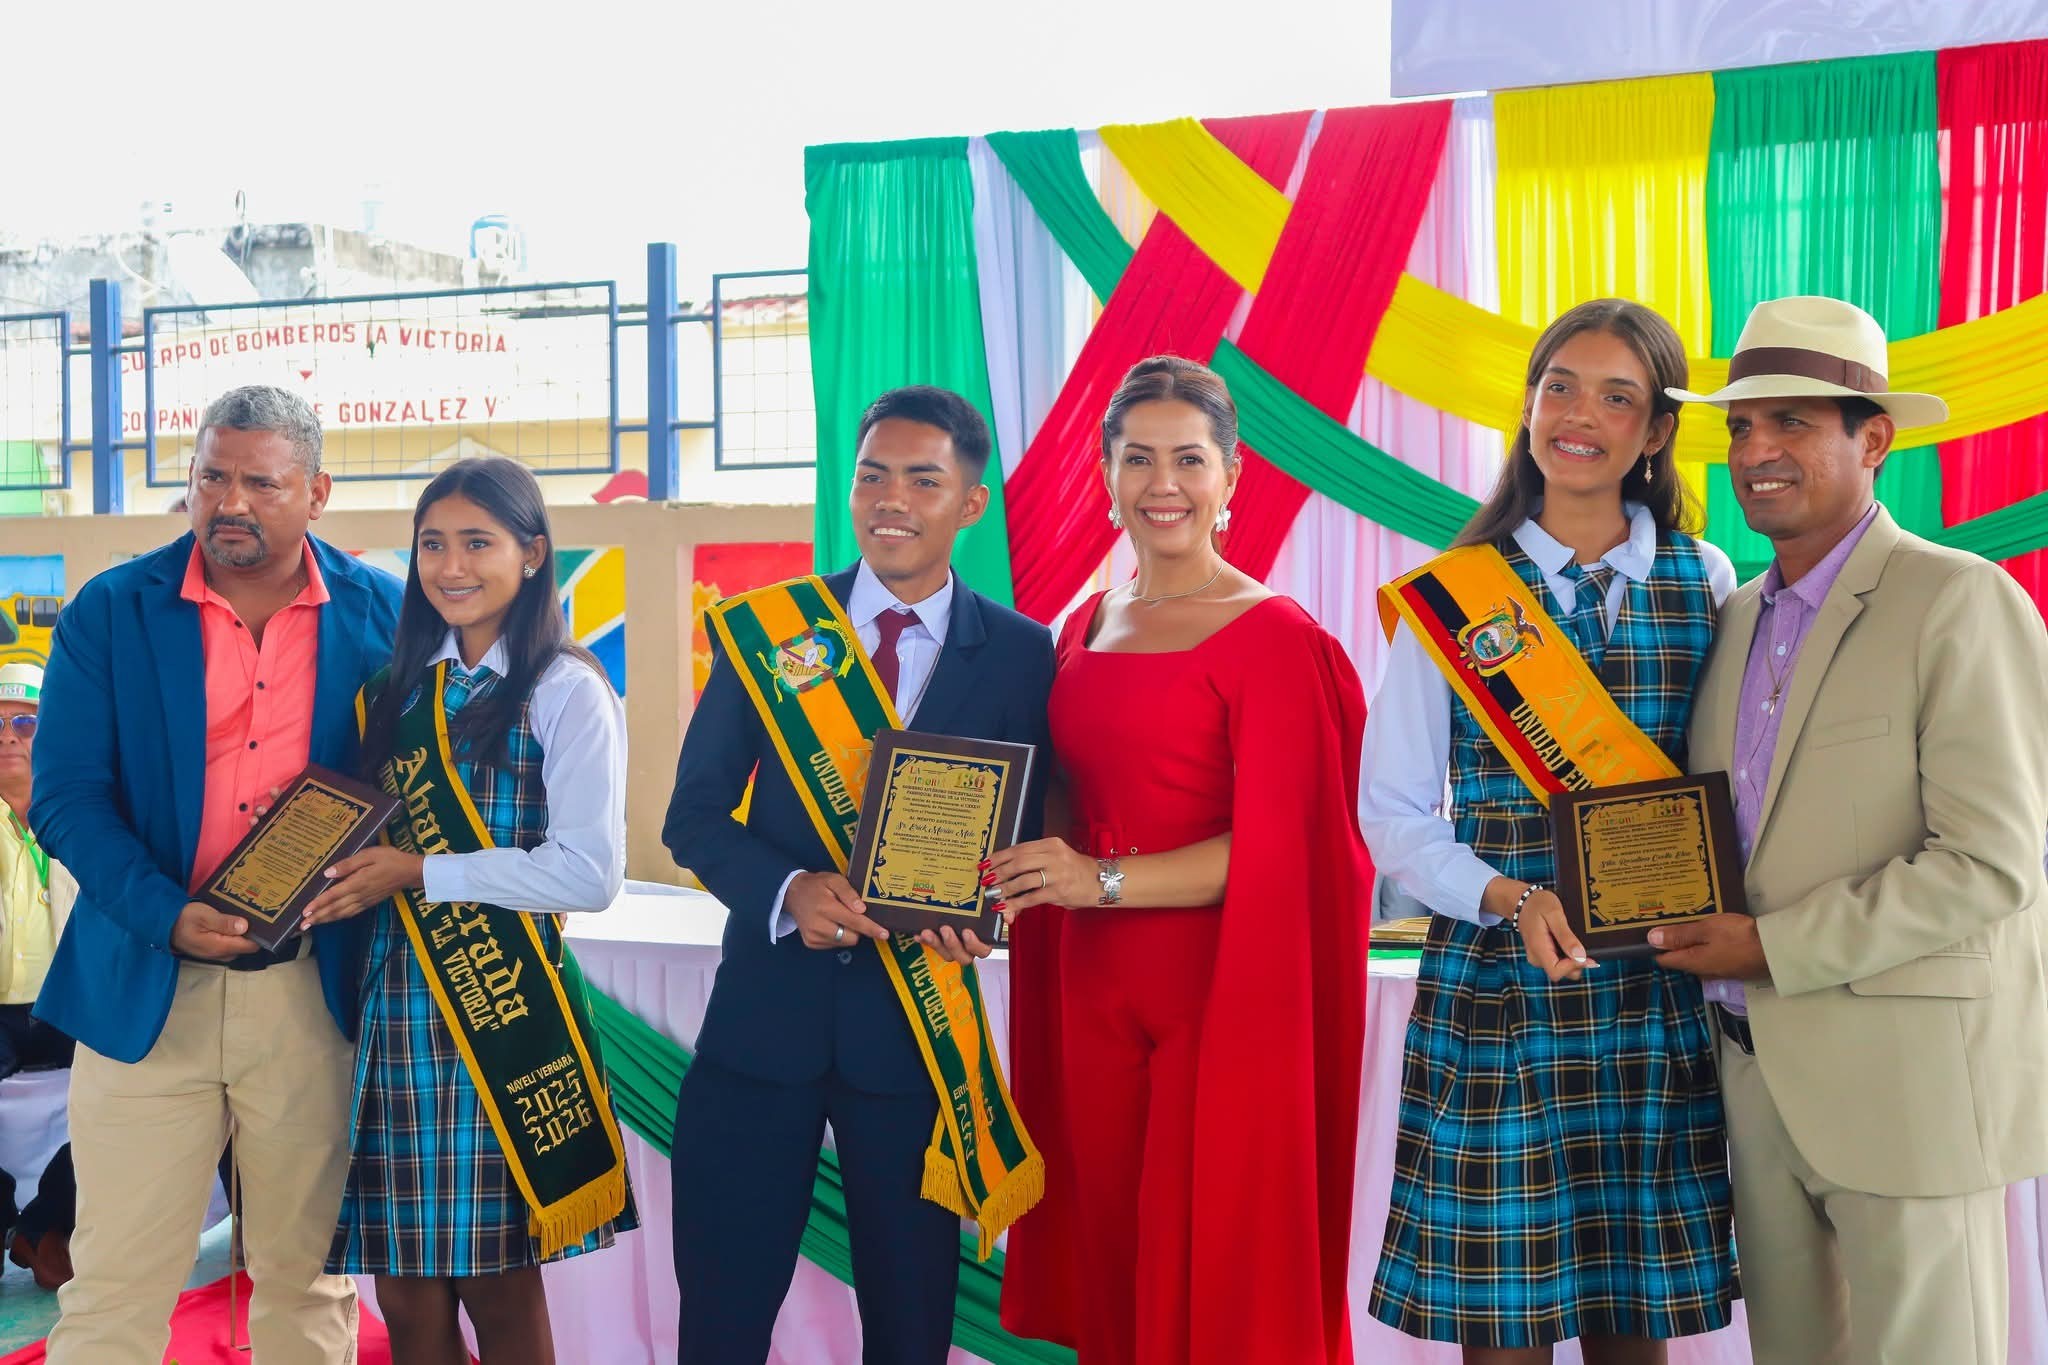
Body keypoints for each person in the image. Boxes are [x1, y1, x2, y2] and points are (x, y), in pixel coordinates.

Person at [1655, 295, 2048, 1365]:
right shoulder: (1733, 616)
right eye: (1741, 425)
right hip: (1754, 1081)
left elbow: (1989, 864)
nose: (1755, 451)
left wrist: (1769, 946)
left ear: (1873, 440)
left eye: (1790, 421)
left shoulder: (1958, 599)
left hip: (1910, 1087)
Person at [1361, 299, 1739, 1364]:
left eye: (1617, 397)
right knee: (1502, 1327)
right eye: (1558, 386)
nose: (1579, 415)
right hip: (1498, 992)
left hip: (1654, 993)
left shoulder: (1708, 580)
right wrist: (1509, 897)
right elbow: (1391, 814)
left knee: (1636, 1325)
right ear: (1527, 407)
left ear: (1655, 431)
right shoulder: (1451, 597)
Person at [664, 385, 1054, 1365]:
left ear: (970, 503)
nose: (891, 501)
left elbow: (1026, 832)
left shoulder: (1019, 653)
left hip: (914, 1046)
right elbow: (693, 817)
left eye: (922, 481)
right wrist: (787, 893)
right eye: (872, 476)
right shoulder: (766, 629)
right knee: (720, 1322)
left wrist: (988, 913)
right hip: (761, 1030)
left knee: (910, 1330)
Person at [996, 356, 1371, 1365]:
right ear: (1105, 474)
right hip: (1088, 987)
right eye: (1138, 458)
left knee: (1214, 1262)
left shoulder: (1275, 637)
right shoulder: (1080, 627)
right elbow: (1055, 798)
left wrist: (1099, 881)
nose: (1163, 483)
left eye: (1189, 459)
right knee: (1112, 1252)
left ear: (1230, 475)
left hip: (1220, 989)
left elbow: (1292, 845)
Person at [29, 385, 402, 1364]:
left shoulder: (384, 617)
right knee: (113, 1289)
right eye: (211, 477)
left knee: (308, 1283)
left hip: (315, 994)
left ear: (317, 492)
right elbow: (64, 796)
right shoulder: (113, 610)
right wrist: (166, 913)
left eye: (261, 483)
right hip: (144, 983)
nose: (230, 502)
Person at [312, 456, 637, 1365]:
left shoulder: (566, 689)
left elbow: (590, 874)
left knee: (499, 1286)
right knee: (407, 1295)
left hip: (502, 1012)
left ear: (531, 554)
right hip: (398, 1013)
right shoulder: (395, 693)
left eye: (477, 543)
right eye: (431, 544)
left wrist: (423, 871)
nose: (451, 566)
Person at [0, 662, 78, 1289]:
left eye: (24, 722)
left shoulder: (83, 812)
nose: (8, 736)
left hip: (73, 999)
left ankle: (46, 1225)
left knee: (137, 1097)